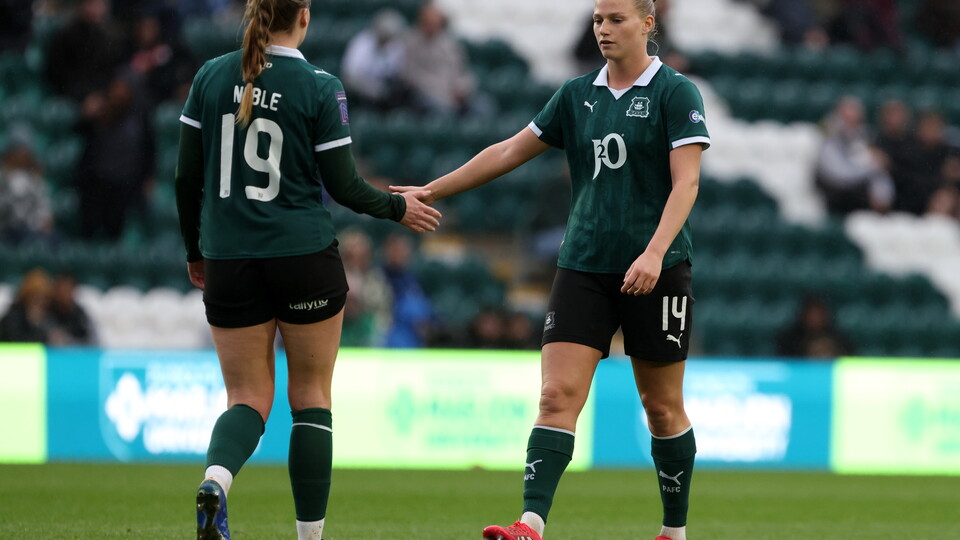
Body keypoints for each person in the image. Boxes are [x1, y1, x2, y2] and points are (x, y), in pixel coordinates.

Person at [393, 1, 709, 538]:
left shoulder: (676, 93)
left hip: (657, 268)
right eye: (598, 20)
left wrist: (655, 252)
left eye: (616, 20)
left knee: (660, 407)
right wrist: (433, 189)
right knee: (556, 396)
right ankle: (530, 524)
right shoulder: (575, 94)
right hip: (583, 265)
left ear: (647, 24)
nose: (603, 29)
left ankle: (673, 532)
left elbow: (687, 183)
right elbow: (508, 151)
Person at [173, 1, 441, 539]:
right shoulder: (320, 86)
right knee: (311, 398)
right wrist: (397, 207)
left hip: (228, 259)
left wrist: (195, 251)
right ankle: (309, 537)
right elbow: (344, 185)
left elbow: (185, 177)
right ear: (304, 15)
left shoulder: (210, 76)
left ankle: (216, 481)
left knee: (246, 398)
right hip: (303, 257)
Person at [814, 96, 894, 215]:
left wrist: (882, 197)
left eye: (856, 121)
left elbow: (879, 172)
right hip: (835, 198)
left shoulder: (866, 138)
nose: (852, 125)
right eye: (847, 119)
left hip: (862, 200)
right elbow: (839, 175)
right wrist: (872, 166)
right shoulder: (828, 138)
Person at [400, 2, 476, 116]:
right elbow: (409, 75)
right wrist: (442, 91)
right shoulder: (410, 43)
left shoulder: (450, 44)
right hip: (427, 95)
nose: (431, 27)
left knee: (482, 107)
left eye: (435, 23)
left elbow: (462, 72)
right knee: (442, 110)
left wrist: (461, 88)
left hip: (452, 94)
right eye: (428, 23)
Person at [340, 8, 407, 111]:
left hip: (384, 86)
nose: (387, 39)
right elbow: (349, 75)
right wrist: (372, 87)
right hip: (360, 86)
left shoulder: (395, 45)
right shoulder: (361, 43)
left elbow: (396, 71)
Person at [0, 138, 56, 246]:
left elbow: (43, 205)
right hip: (11, 229)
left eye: (25, 150)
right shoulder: (3, 177)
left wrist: (45, 221)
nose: (23, 154)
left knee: (54, 239)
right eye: (19, 149)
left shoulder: (35, 178)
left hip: (34, 228)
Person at [776, 294, 853, 358]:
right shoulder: (789, 343)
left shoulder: (840, 340)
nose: (821, 355)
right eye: (816, 352)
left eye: (825, 351)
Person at [0, 268, 54, 344]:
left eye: (44, 297)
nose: (40, 301)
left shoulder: (48, 316)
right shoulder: (13, 316)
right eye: (35, 296)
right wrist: (33, 325)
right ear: (26, 296)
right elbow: (15, 340)